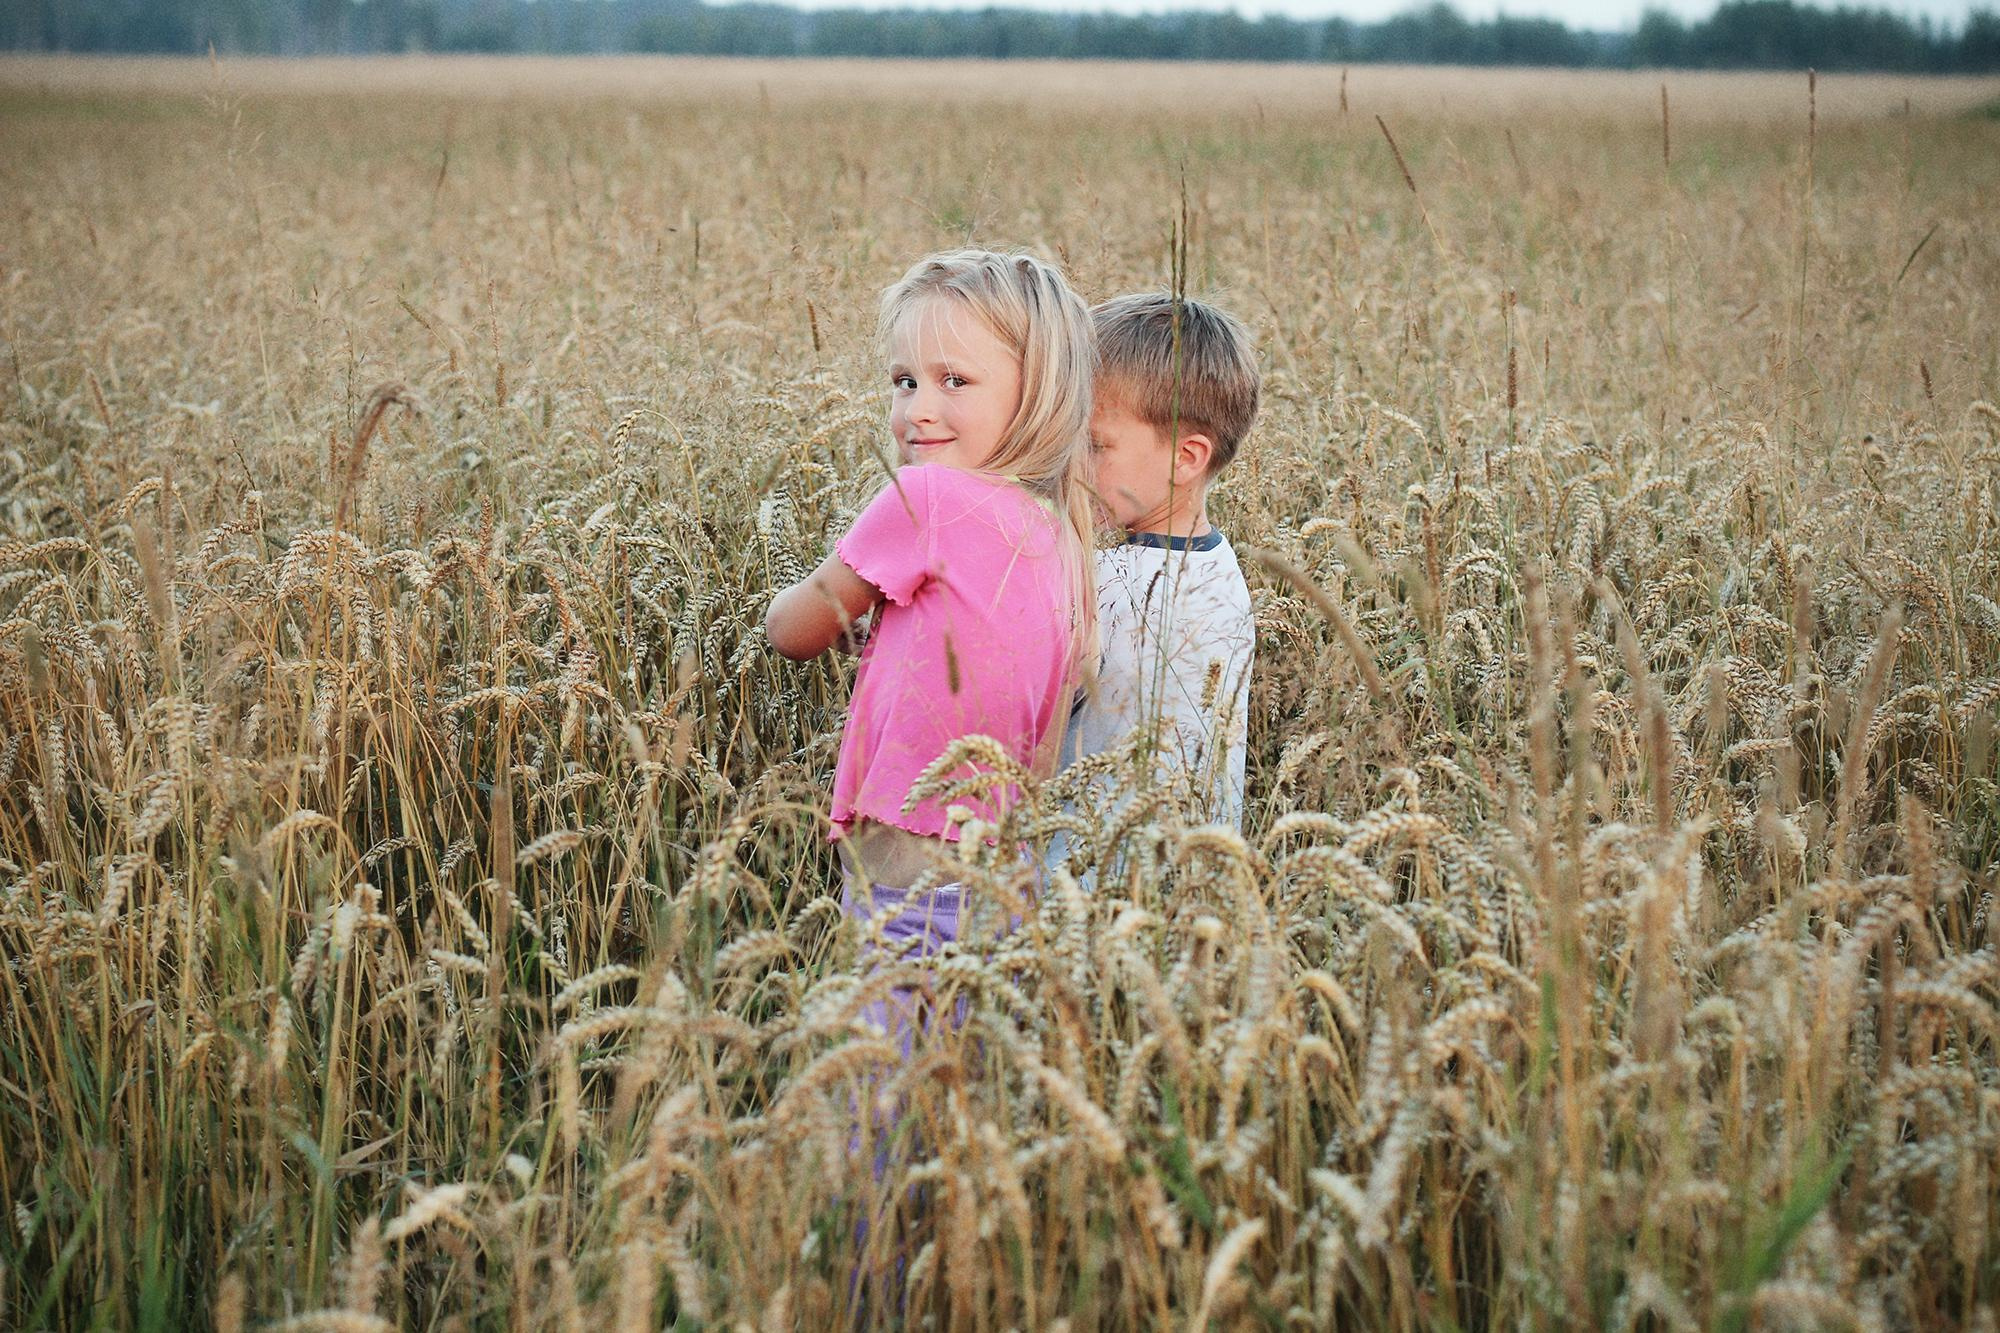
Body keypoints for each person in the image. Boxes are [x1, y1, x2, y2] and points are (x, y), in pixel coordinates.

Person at [765, 248, 1097, 1055]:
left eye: (955, 382)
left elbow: (796, 631)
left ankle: (865, 1183)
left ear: (1037, 393)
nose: (917, 409)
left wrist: (788, 595)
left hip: (907, 845)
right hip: (1006, 854)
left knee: (880, 1057)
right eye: (904, 381)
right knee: (961, 1061)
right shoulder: (1062, 530)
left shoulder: (924, 497)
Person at [1062, 292, 1260, 853]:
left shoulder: (1109, 582)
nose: (1070, 463)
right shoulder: (1220, 569)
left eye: (1094, 445)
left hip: (1083, 881)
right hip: (1188, 879)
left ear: (1185, 457)